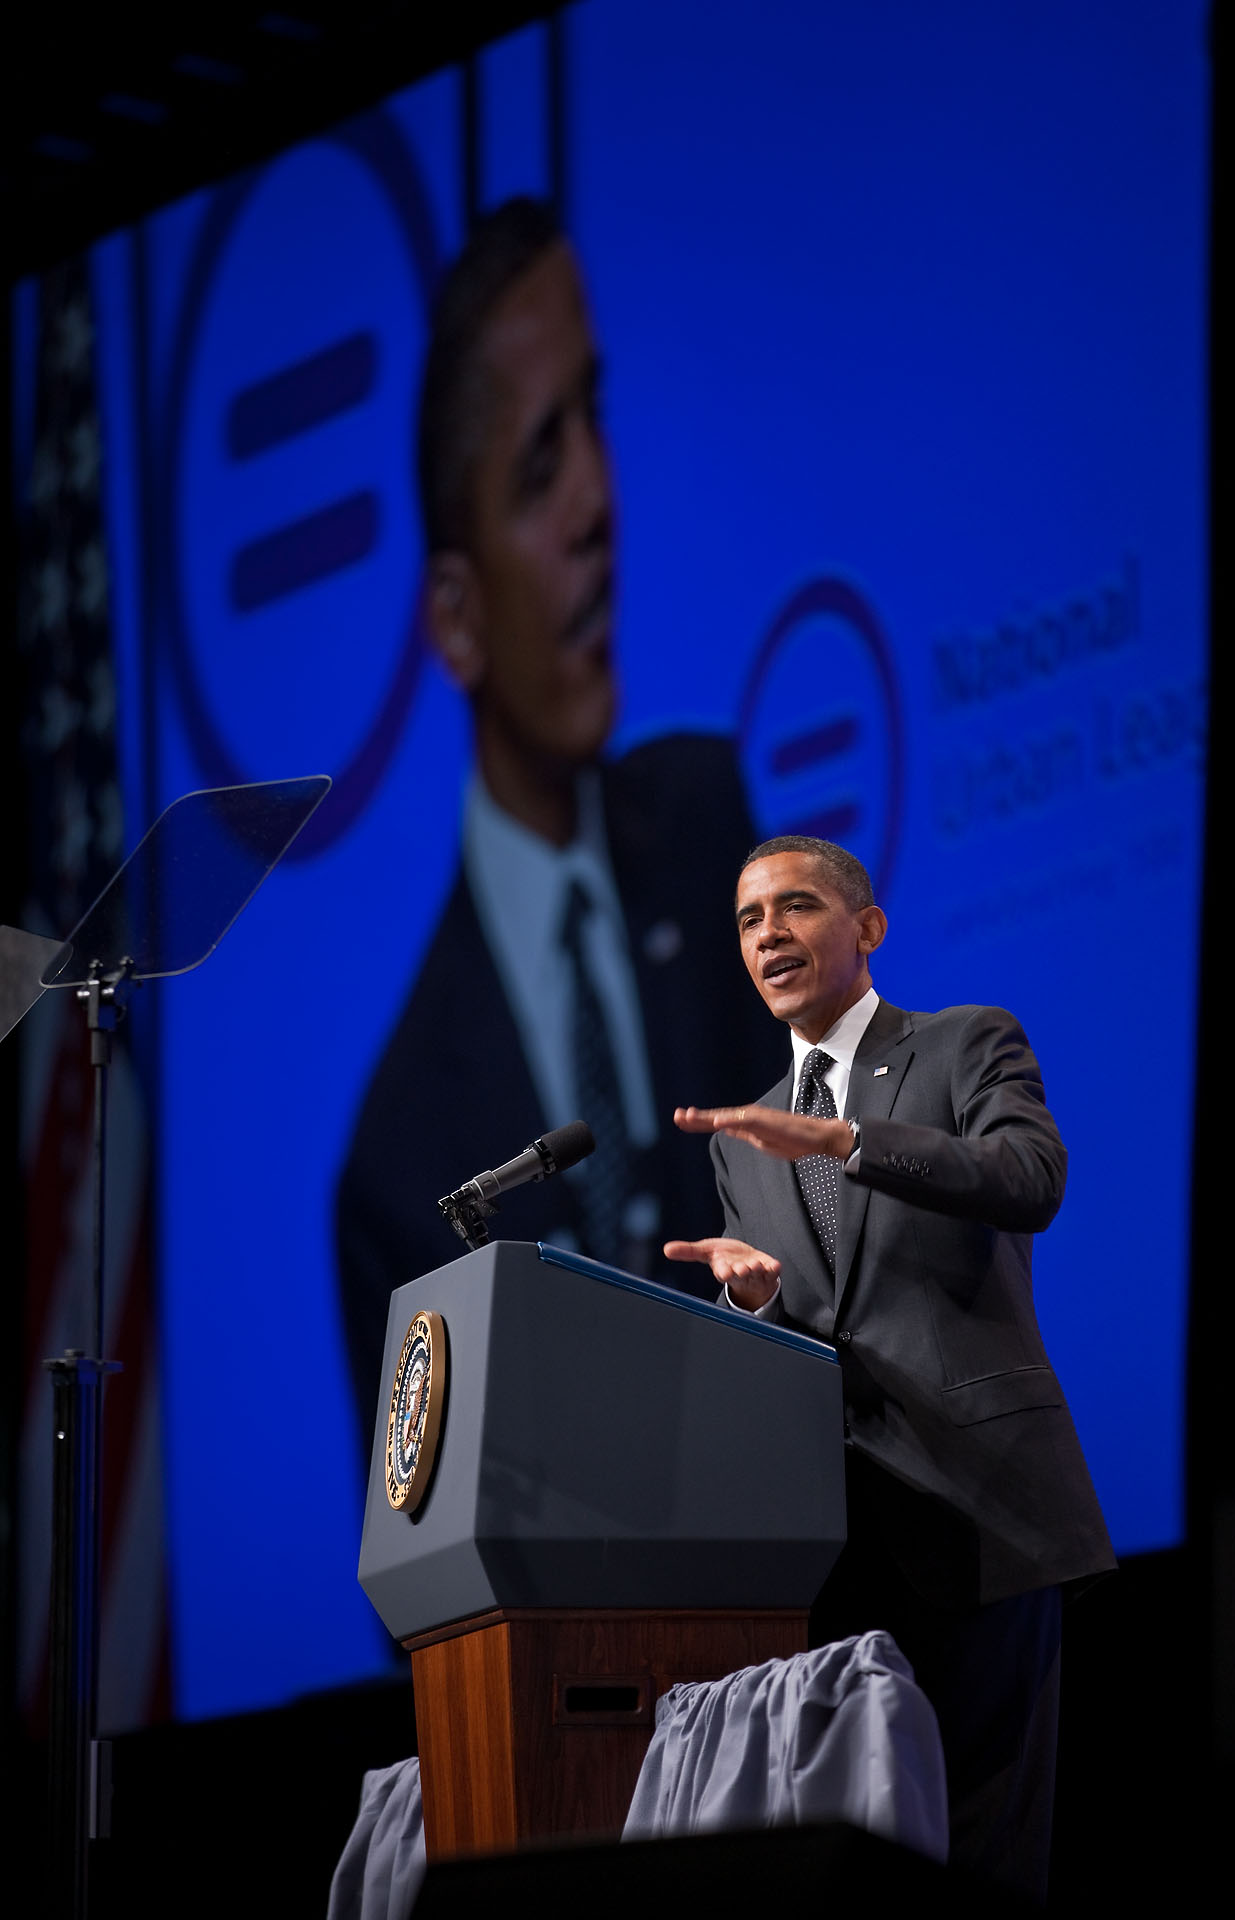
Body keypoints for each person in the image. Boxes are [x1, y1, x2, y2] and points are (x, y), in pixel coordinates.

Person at [337, 199, 783, 1456]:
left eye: (593, 417)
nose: (598, 500)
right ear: (457, 617)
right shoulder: (396, 1156)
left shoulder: (710, 829)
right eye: (539, 468)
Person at [665, 834, 1116, 1902]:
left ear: (864, 928)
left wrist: (841, 1143)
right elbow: (793, 1334)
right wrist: (751, 1305)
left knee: (985, 1850)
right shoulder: (737, 1143)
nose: (767, 932)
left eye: (795, 906)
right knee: (862, 1868)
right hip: (838, 1543)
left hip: (982, 1510)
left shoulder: (962, 1045)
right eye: (745, 919)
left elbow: (1029, 1176)